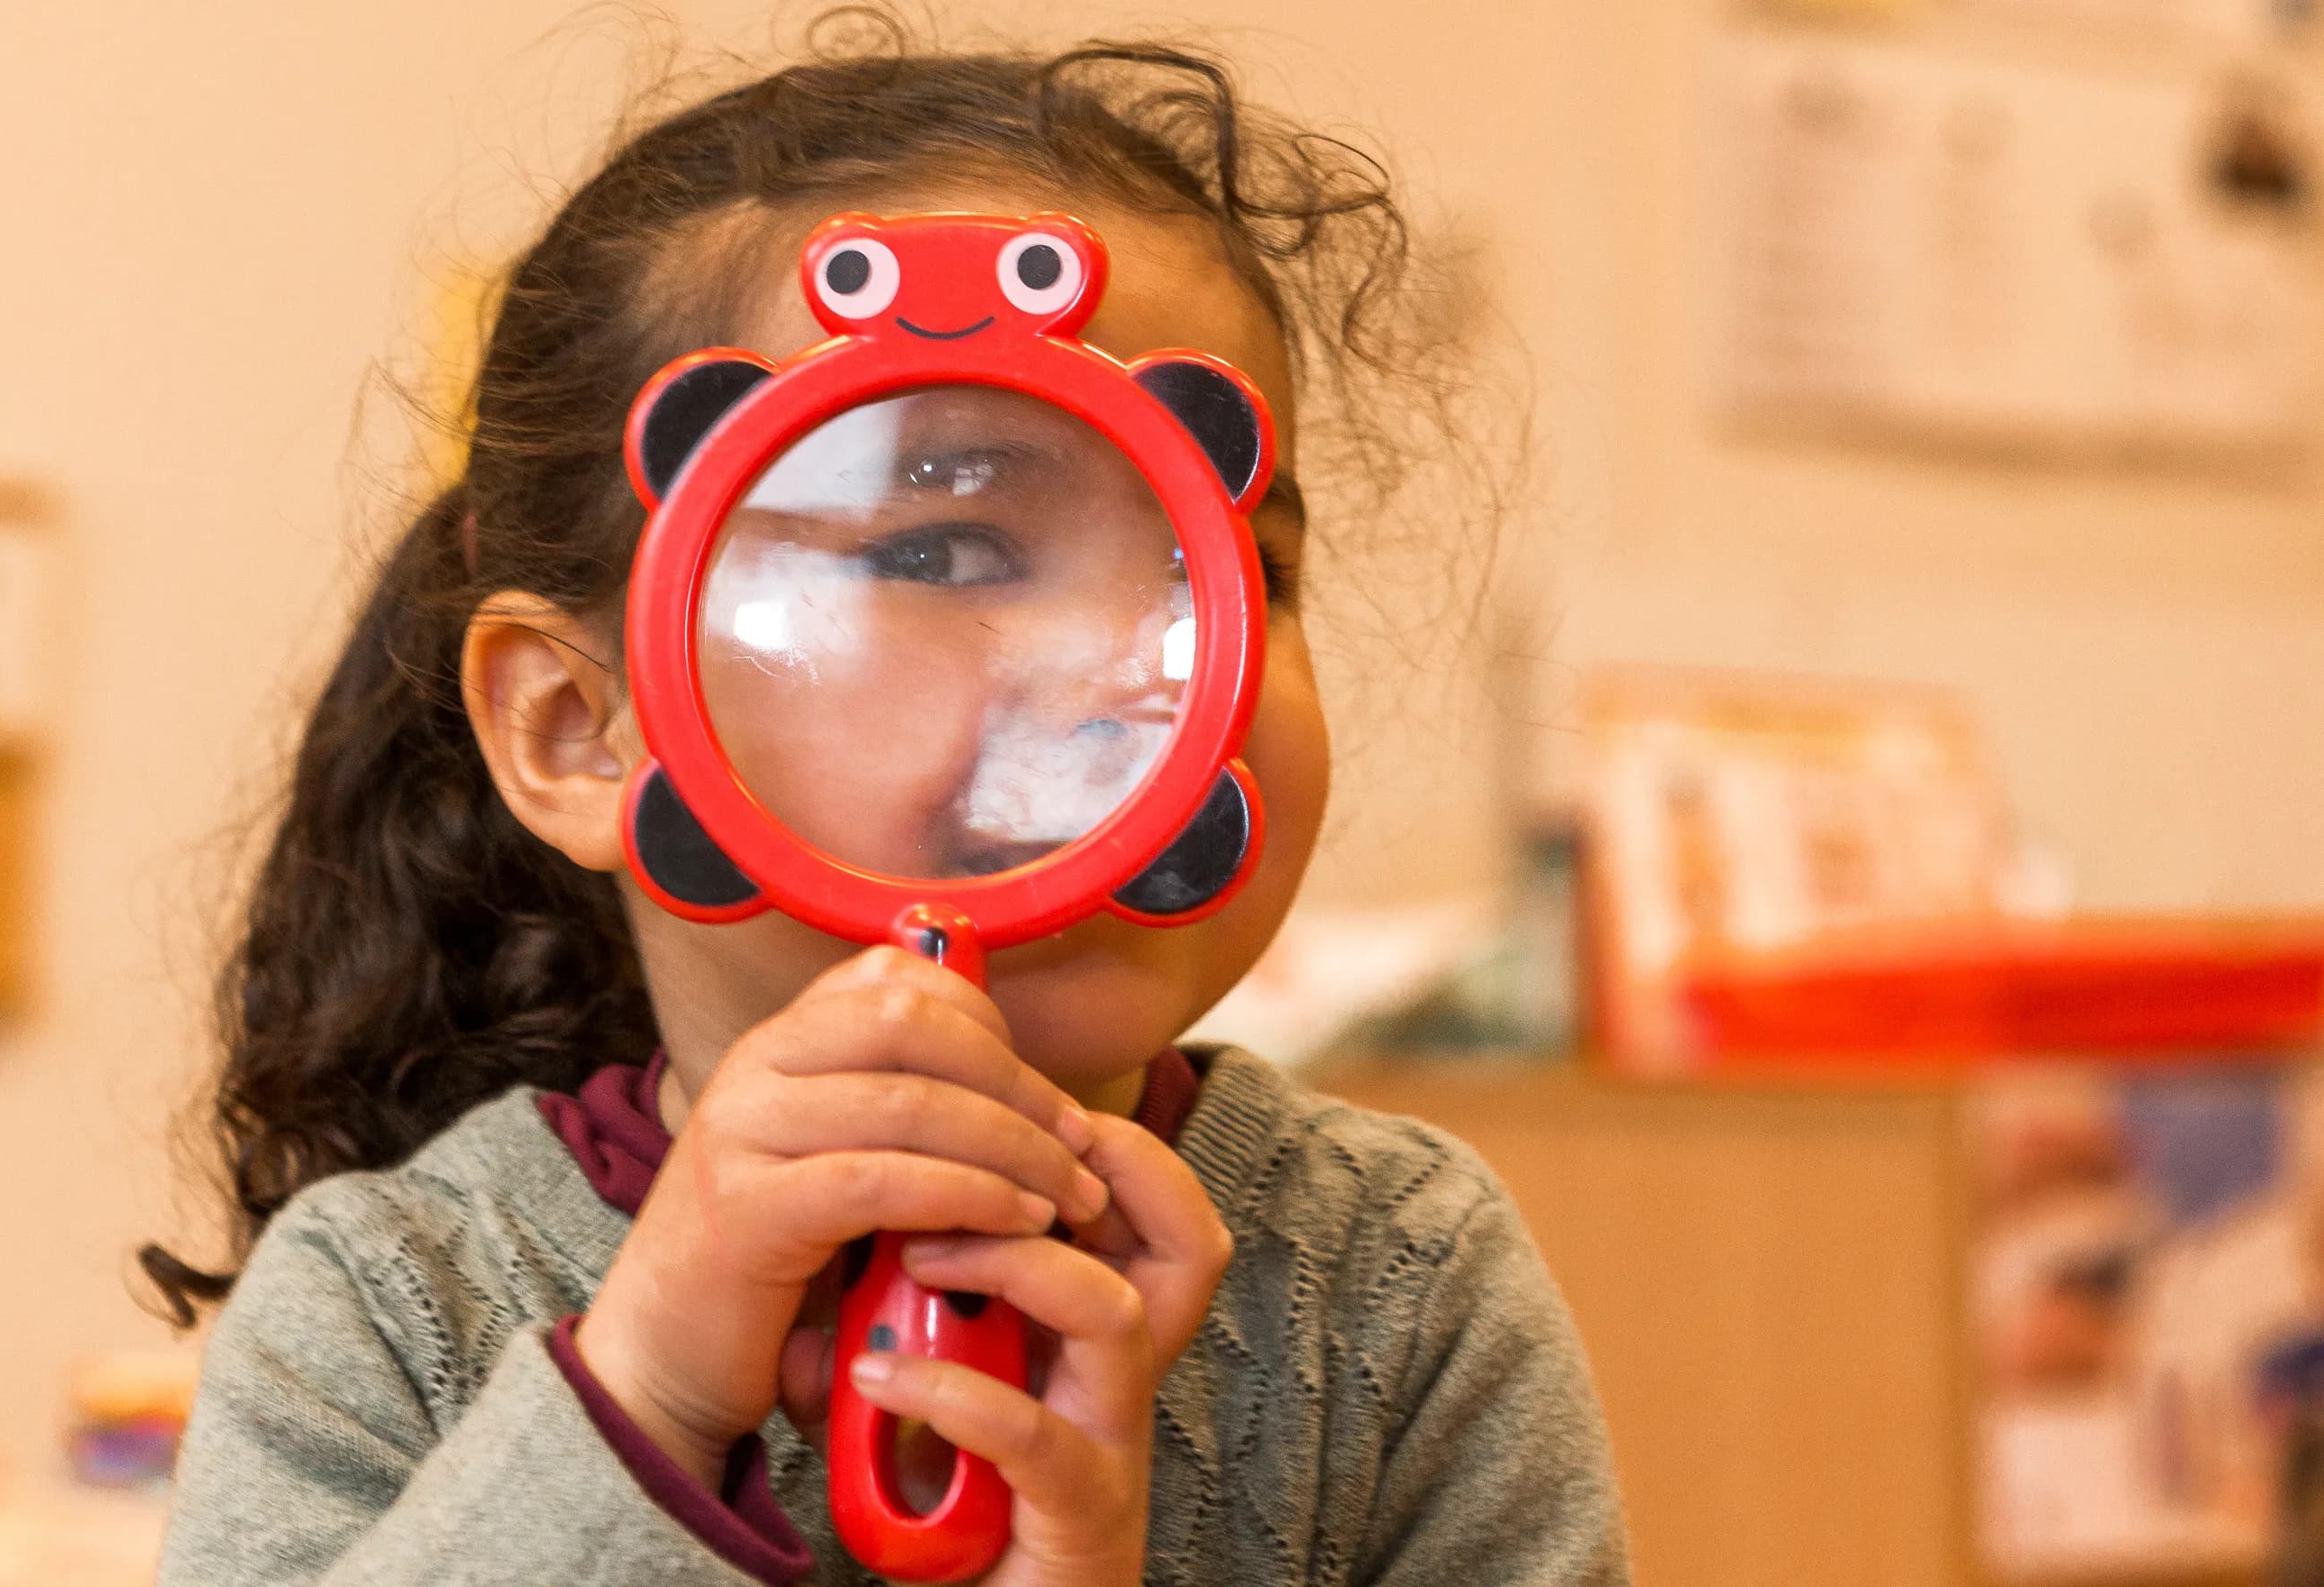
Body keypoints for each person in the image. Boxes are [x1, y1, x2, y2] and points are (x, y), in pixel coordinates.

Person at [148, 25, 1627, 1587]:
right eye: (945, 552)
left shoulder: (1398, 1284)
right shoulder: (389, 1304)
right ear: (582, 726)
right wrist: (642, 1400)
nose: (1128, 674)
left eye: (1228, 564)